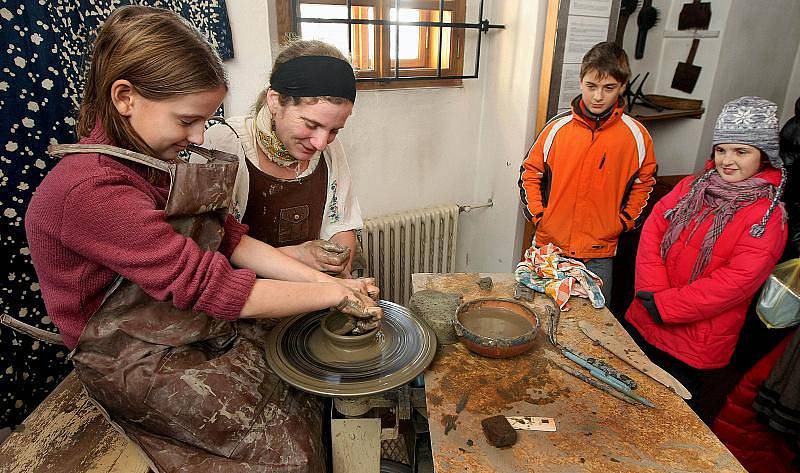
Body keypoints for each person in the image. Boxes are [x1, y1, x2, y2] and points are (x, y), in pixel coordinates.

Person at [23, 6, 380, 471]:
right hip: (129, 356)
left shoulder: (153, 160)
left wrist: (331, 285)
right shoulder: (88, 190)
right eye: (187, 120)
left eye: (205, 119)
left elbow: (229, 239)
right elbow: (209, 285)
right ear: (125, 97)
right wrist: (330, 292)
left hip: (184, 325)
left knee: (301, 384)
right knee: (287, 454)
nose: (198, 136)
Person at [624, 96, 788, 425]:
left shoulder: (767, 216)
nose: (728, 160)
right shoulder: (693, 185)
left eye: (742, 152)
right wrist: (653, 292)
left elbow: (736, 282)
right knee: (622, 398)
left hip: (692, 342)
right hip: (646, 314)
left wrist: (668, 306)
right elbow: (655, 228)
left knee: (664, 419)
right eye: (722, 149)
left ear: (763, 156)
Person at [197, 39, 362, 277]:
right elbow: (210, 249)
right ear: (275, 101)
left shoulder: (328, 150)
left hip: (312, 290)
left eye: (334, 130)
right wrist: (299, 255)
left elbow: (341, 225)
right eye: (310, 124)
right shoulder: (226, 144)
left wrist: (341, 275)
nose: (320, 142)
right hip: (244, 299)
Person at [518, 41, 657, 303]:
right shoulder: (556, 128)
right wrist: (540, 216)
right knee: (537, 316)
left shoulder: (637, 136)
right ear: (581, 81)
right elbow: (530, 173)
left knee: (594, 326)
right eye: (591, 86)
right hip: (549, 248)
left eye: (609, 88)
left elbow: (645, 184)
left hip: (599, 254)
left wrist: (623, 221)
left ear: (623, 86)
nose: (598, 97)